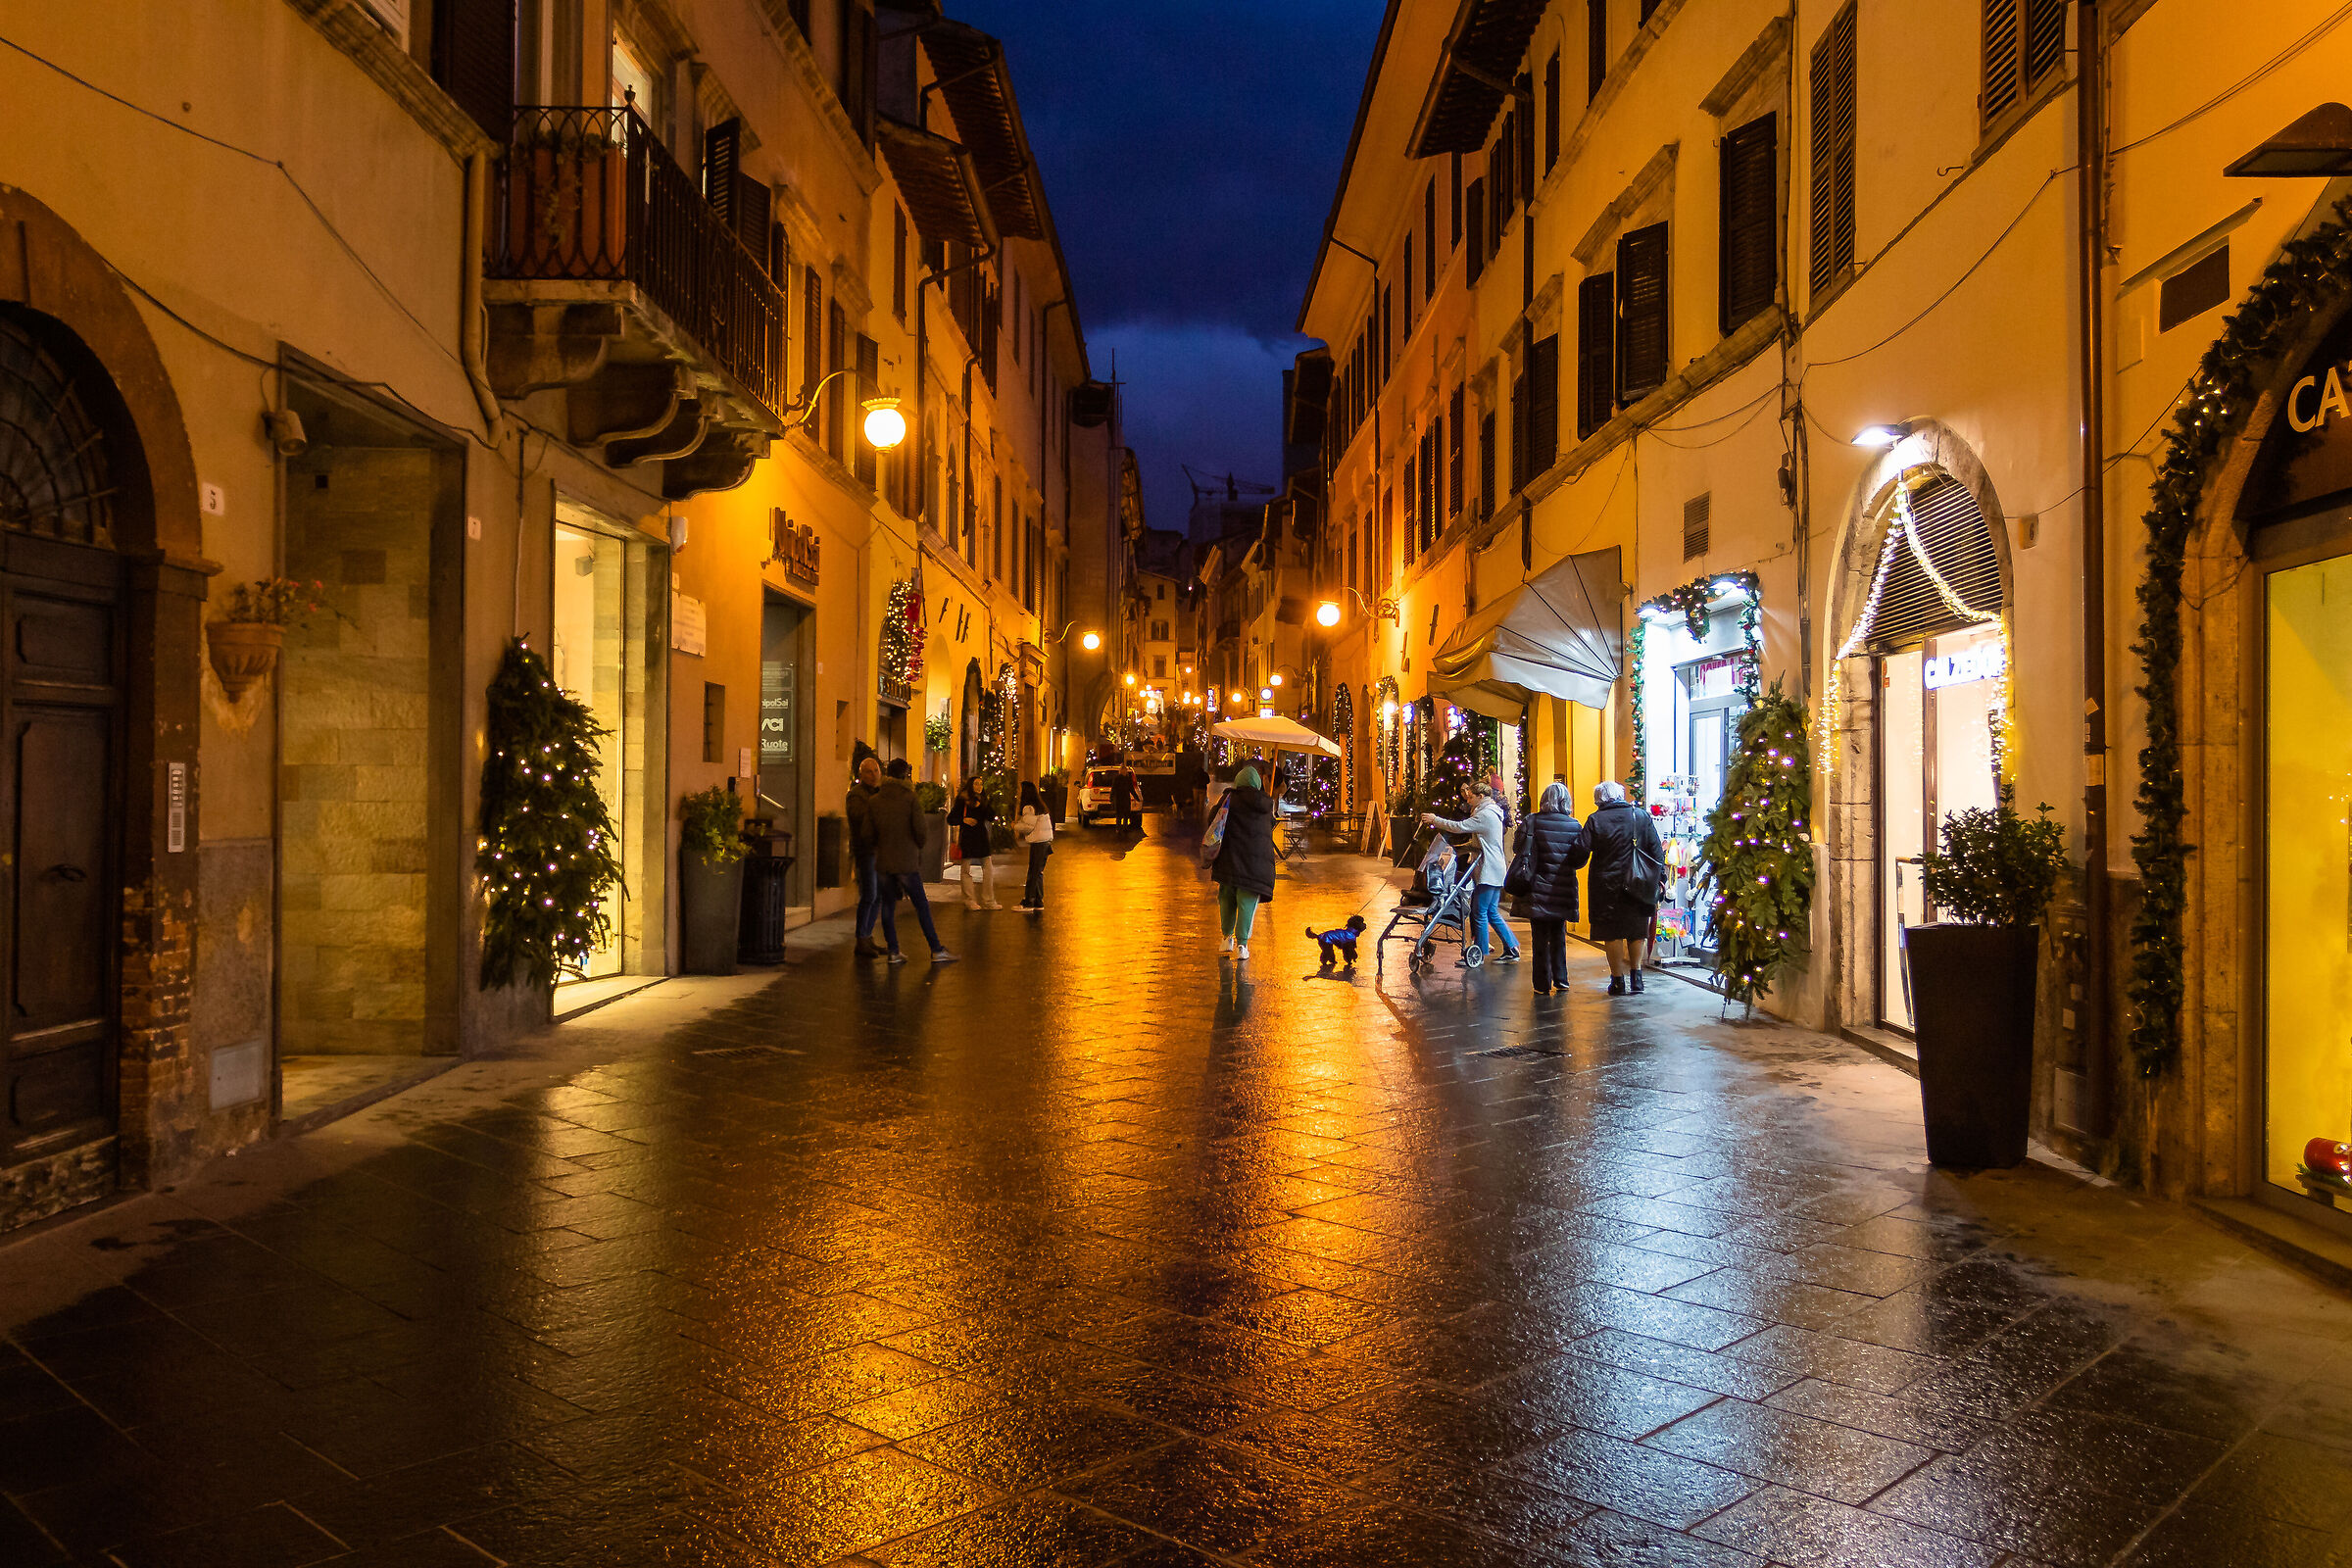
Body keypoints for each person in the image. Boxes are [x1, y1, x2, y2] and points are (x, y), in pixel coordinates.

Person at [1581, 780, 1664, 995]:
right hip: (1639, 882)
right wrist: (1660, 878)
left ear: (1599, 800)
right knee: (1637, 929)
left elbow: (1580, 852)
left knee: (1612, 931)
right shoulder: (1641, 816)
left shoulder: (1595, 820)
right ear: (1620, 795)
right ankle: (1637, 978)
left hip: (1605, 884)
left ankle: (1617, 980)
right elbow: (1656, 850)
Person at [1424, 781, 1519, 967]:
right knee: (1491, 911)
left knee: (1480, 911)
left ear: (1480, 797)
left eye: (1471, 795)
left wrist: (1435, 820)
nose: (1468, 798)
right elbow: (1481, 843)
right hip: (1495, 868)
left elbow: (1459, 827)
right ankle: (1511, 948)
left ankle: (1479, 953)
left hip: (1488, 870)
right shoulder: (1490, 813)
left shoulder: (1485, 814)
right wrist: (1461, 849)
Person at [873, 759, 956, 964]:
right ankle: (936, 949)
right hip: (906, 861)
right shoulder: (910, 799)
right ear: (905, 775)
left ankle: (893, 951)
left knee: (887, 907)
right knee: (921, 905)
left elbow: (867, 832)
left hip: (883, 861)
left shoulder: (875, 800)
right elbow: (921, 830)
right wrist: (916, 847)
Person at [1516, 782, 1590, 997]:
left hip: (1536, 887)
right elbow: (1580, 859)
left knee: (1539, 937)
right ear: (1566, 801)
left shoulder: (1532, 821)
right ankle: (1561, 979)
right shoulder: (1575, 825)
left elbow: (1518, 849)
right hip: (1562, 886)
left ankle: (1541, 984)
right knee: (1559, 934)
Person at [1211, 763, 1277, 959]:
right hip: (1253, 864)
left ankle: (1226, 938)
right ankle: (1242, 946)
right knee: (1246, 900)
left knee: (1226, 897)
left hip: (1229, 858)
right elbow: (1270, 826)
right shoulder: (1265, 804)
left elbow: (1212, 821)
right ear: (1257, 783)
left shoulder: (1228, 799)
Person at [846, 756, 885, 958]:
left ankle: (867, 936)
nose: (874, 775)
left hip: (877, 851)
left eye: (876, 771)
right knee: (869, 894)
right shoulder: (856, 795)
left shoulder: (878, 794)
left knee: (877, 895)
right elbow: (861, 818)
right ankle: (861, 938)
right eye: (869, 772)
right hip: (865, 851)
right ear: (862, 774)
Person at [948, 776, 1000, 909]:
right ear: (971, 785)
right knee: (966, 869)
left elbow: (991, 816)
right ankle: (969, 900)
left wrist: (982, 804)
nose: (979, 786)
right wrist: (963, 820)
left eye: (981, 784)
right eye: (976, 784)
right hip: (968, 837)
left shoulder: (983, 799)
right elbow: (951, 818)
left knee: (988, 868)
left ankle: (989, 901)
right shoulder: (963, 800)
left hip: (981, 836)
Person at [1015, 780, 1054, 911]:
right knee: (1038, 872)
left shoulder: (1029, 807)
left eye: (1020, 790)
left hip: (1039, 843)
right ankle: (1038, 901)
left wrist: (1014, 826)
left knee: (1033, 872)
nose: (1018, 793)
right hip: (1046, 842)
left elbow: (1028, 827)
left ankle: (1028, 902)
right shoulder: (1039, 806)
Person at [1110, 766, 1138, 837]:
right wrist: (1111, 797)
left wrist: (1136, 797)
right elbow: (1114, 788)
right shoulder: (1119, 779)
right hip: (1120, 799)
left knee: (1125, 814)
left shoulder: (1127, 779)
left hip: (1123, 799)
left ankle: (1123, 828)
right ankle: (1119, 828)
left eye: (1125, 771)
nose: (1124, 772)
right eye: (1123, 771)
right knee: (1120, 815)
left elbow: (1131, 789)